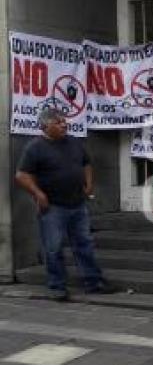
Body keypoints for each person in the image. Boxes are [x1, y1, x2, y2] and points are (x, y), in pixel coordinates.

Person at [15, 108, 116, 301]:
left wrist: (89, 182)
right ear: (46, 126)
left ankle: (93, 282)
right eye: (59, 122)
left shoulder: (74, 142)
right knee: (53, 247)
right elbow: (21, 175)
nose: (64, 125)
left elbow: (86, 163)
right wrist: (38, 193)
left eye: (64, 121)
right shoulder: (35, 147)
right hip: (53, 207)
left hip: (77, 203)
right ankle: (57, 286)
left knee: (84, 244)